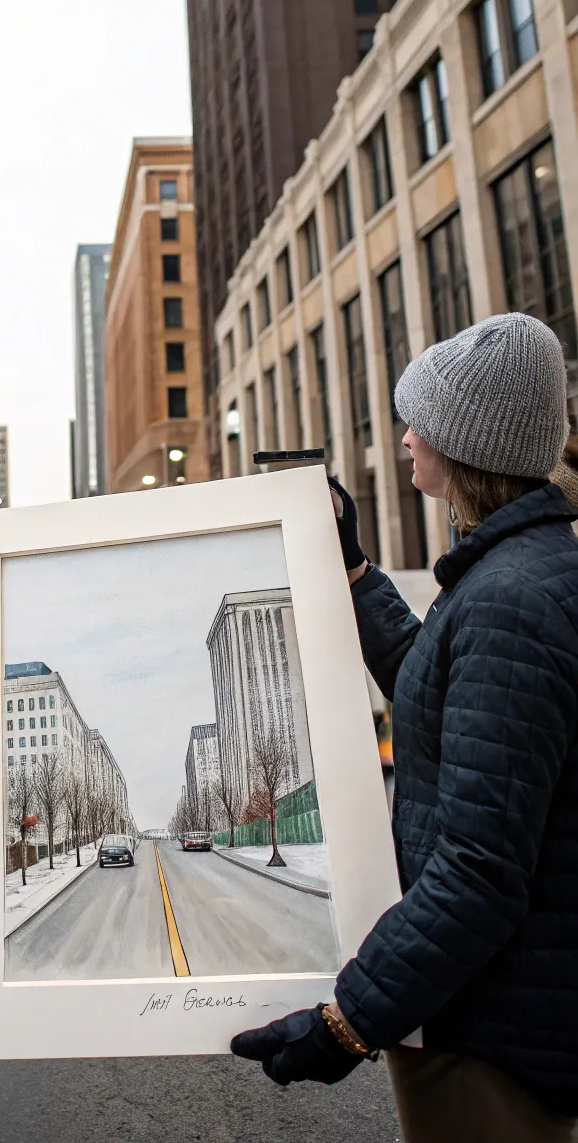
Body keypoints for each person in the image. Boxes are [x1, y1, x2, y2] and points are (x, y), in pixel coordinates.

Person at [230, 313, 578, 1142]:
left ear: (467, 444)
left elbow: (479, 872)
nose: (407, 437)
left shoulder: (510, 599)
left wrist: (347, 1023)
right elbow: (437, 689)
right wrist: (353, 569)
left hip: (493, 1036)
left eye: (420, 420)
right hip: (492, 1008)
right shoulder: (515, 573)